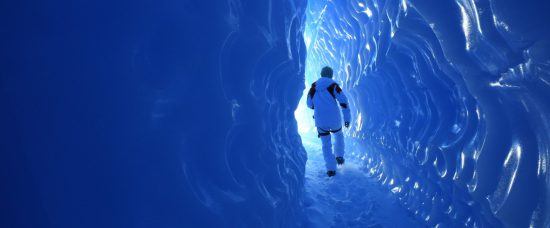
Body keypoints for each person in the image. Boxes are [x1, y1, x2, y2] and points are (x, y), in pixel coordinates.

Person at [306, 66, 351, 177]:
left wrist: (316, 106)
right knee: (338, 136)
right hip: (334, 119)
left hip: (320, 120)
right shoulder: (333, 86)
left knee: (326, 145)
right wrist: (347, 119)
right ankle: (339, 156)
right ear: (331, 75)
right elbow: (344, 102)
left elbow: (309, 104)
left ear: (321, 74)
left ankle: (331, 169)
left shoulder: (313, 88)